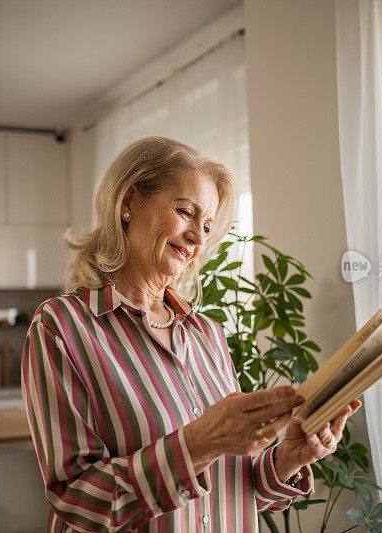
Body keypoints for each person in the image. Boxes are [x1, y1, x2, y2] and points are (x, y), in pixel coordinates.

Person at [21, 136, 362, 532]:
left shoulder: (209, 335)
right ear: (128, 202)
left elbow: (232, 487)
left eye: (206, 226)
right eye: (185, 212)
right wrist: (198, 443)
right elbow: (75, 499)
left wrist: (289, 457)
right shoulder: (62, 327)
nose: (198, 239)